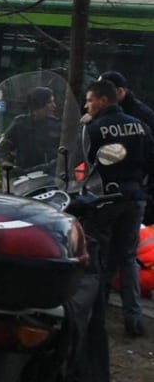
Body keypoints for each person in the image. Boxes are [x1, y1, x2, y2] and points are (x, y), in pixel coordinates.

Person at [83, 79, 154, 339]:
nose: (87, 105)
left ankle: (95, 314)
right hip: (135, 198)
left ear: (103, 100)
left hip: (105, 200)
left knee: (98, 255)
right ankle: (133, 318)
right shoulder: (142, 126)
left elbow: (84, 165)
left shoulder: (94, 128)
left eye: (90, 100)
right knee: (127, 258)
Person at [0, 86, 61, 172]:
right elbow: (2, 149)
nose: (54, 106)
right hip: (24, 178)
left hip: (49, 177)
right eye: (50, 102)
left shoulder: (57, 126)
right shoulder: (20, 123)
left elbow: (65, 153)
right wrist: (7, 164)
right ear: (39, 104)